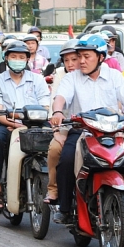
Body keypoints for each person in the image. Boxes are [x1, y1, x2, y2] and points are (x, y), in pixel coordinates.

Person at [50, 34, 124, 247]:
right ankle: (63, 206)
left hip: (113, 134)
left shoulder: (115, 76)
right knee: (66, 159)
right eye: (79, 56)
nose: (81, 61)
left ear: (101, 57)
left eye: (86, 56)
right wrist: (58, 111)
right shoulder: (72, 78)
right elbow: (61, 97)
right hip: (82, 132)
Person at [0, 41, 50, 213]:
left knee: (56, 141)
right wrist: (13, 123)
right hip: (7, 125)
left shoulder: (37, 79)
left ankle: (54, 187)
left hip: (35, 124)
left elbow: (45, 106)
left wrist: (22, 120)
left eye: (22, 57)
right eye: (13, 57)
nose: (17, 60)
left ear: (28, 59)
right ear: (6, 59)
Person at [44, 39, 80, 203]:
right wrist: (57, 131)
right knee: (55, 150)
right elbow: (55, 103)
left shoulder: (105, 73)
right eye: (67, 60)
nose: (71, 64)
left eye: (74, 59)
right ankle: (54, 189)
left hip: (96, 127)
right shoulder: (60, 75)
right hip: (66, 127)